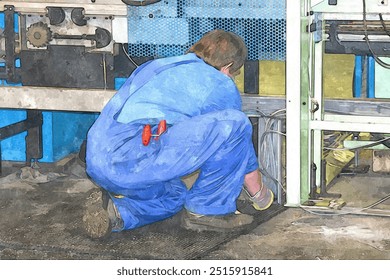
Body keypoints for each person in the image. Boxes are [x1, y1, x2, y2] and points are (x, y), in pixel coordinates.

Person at [83, 29, 274, 239]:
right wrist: (262, 197)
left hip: (97, 162)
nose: (231, 78)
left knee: (176, 195)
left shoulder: (156, 66)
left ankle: (116, 213)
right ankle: (208, 211)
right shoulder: (219, 84)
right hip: (132, 159)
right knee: (237, 124)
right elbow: (238, 147)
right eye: (233, 73)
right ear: (227, 66)